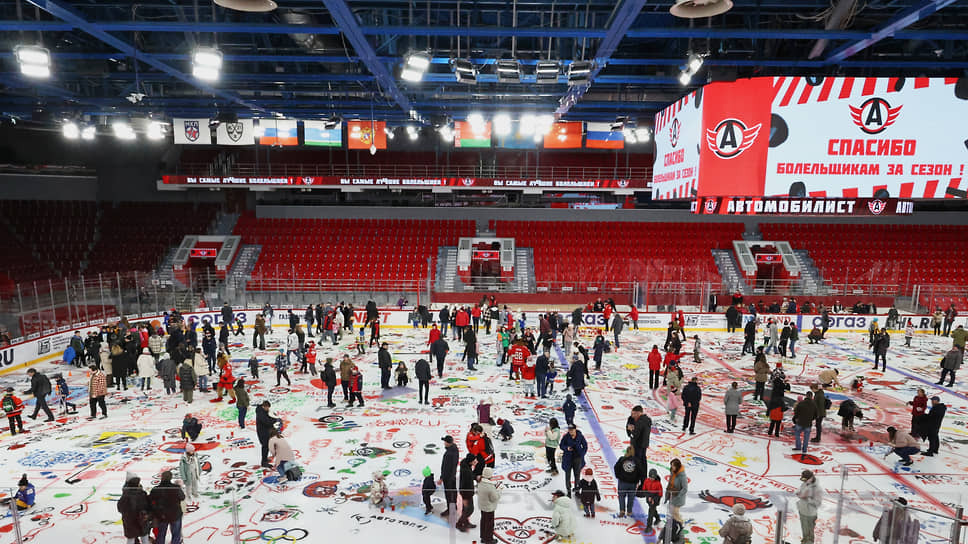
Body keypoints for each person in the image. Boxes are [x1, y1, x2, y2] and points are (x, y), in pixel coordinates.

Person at [148, 470, 185, 544]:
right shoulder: (176, 488)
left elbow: (150, 500)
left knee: (161, 534)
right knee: (176, 534)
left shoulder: (156, 489)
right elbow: (182, 497)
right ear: (171, 478)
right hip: (175, 514)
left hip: (161, 515)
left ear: (162, 478)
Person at [118, 474, 151, 544]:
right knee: (144, 539)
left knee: (131, 539)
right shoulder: (143, 494)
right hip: (142, 521)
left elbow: (120, 508)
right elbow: (148, 506)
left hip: (130, 522)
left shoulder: (125, 496)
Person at [613, 447, 644, 519]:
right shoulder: (636, 461)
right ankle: (629, 511)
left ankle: (622, 510)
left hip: (622, 482)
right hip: (632, 484)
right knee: (631, 497)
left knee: (621, 496)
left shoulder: (622, 459)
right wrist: (637, 480)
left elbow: (616, 467)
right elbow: (641, 472)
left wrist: (618, 476)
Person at [559, 423, 588, 497]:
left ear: (575, 429)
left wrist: (582, 454)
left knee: (577, 475)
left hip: (577, 459)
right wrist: (566, 448)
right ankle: (568, 491)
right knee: (567, 475)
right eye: (569, 430)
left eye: (572, 430)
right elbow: (561, 445)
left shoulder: (580, 436)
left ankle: (577, 491)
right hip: (568, 459)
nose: (570, 431)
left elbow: (585, 446)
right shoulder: (566, 437)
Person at [796, 470, 822, 544]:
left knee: (809, 536)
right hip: (802, 511)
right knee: (805, 534)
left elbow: (818, 503)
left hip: (809, 514)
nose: (804, 481)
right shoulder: (804, 484)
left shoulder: (816, 489)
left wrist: (807, 499)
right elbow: (800, 492)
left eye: (805, 479)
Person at [476, 466, 501, 544]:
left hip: (482, 506)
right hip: (489, 507)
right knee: (489, 524)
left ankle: (483, 537)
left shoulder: (480, 482)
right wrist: (499, 490)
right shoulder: (490, 487)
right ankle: (489, 539)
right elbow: (494, 498)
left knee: (483, 521)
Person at [456, 453, 477, 532]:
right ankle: (459, 523)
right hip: (466, 493)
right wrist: (464, 498)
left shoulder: (465, 463)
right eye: (474, 460)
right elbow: (465, 484)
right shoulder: (466, 472)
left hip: (467, 492)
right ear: (470, 462)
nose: (476, 461)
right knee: (469, 509)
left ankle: (465, 522)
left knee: (466, 509)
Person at [440, 435, 459, 519]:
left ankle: (451, 509)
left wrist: (442, 477)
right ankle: (453, 507)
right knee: (453, 493)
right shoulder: (454, 449)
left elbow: (446, 467)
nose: (444, 443)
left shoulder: (449, 454)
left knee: (449, 494)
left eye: (445, 441)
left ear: (448, 443)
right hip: (452, 476)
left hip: (448, 478)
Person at [256, 401, 279, 468]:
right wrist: (274, 419)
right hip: (263, 432)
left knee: (267, 446)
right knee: (265, 446)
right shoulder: (261, 413)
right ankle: (264, 462)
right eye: (267, 408)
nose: (268, 409)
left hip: (265, 431)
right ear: (264, 406)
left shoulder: (263, 411)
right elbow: (267, 422)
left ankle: (265, 459)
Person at [666, 458, 687, 522]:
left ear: (677, 466)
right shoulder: (673, 472)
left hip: (678, 497)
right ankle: (676, 522)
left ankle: (680, 524)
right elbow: (670, 482)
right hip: (672, 495)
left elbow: (685, 488)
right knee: (671, 511)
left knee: (675, 512)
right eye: (671, 465)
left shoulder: (682, 476)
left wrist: (678, 495)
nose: (671, 467)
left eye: (673, 466)